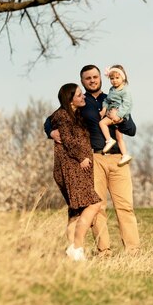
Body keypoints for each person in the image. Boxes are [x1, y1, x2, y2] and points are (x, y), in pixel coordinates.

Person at [45, 65, 140, 256]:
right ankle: (103, 250)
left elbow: (132, 129)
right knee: (97, 207)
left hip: (118, 158)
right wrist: (50, 131)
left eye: (95, 77)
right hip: (95, 158)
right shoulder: (79, 101)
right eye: (87, 78)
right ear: (82, 81)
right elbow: (51, 119)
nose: (92, 80)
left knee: (125, 206)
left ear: (101, 78)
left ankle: (133, 251)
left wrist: (119, 119)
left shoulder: (112, 98)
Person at [50, 83, 102, 261]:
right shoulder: (62, 116)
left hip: (75, 168)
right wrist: (81, 157)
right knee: (94, 204)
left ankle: (72, 252)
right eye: (79, 95)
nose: (83, 97)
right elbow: (68, 140)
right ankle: (77, 247)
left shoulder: (74, 114)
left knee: (76, 210)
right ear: (70, 99)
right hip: (71, 168)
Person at [99, 64, 133, 167]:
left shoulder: (125, 91)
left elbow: (127, 104)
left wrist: (118, 115)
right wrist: (104, 109)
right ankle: (125, 155)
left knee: (102, 123)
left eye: (117, 78)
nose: (114, 80)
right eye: (111, 78)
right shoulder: (112, 90)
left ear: (123, 77)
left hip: (118, 114)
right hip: (112, 113)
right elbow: (106, 100)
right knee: (119, 138)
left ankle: (109, 140)